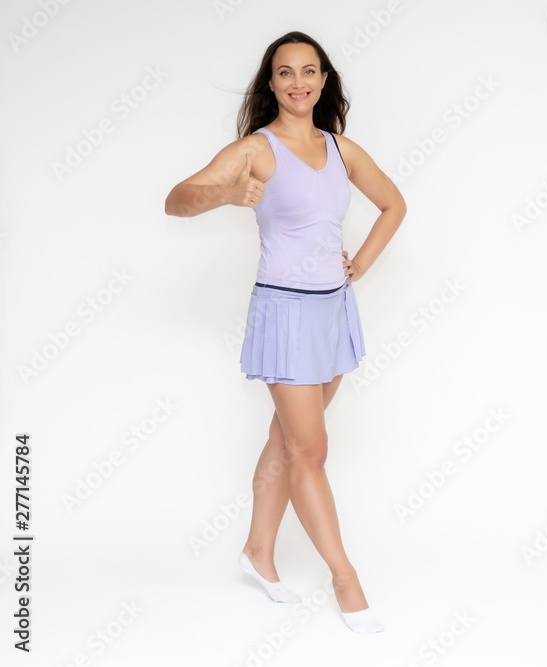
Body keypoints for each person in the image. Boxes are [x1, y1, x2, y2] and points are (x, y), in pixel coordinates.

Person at [164, 30, 406, 634]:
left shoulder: (341, 149)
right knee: (310, 451)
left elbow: (394, 204)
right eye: (285, 72)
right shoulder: (256, 149)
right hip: (286, 315)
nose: (298, 82)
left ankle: (257, 551)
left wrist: (359, 264)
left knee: (286, 442)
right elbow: (177, 200)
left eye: (308, 70)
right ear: (270, 83)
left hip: (333, 312)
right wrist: (226, 193)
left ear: (324, 80)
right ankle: (346, 580)